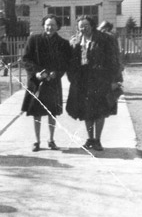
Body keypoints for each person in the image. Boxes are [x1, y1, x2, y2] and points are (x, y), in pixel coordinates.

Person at [66, 15, 120, 151]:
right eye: (80, 27)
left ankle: (98, 140)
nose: (83, 29)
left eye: (86, 26)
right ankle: (90, 139)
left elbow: (113, 60)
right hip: (83, 82)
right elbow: (72, 61)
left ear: (92, 26)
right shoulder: (77, 40)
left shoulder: (104, 39)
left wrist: (114, 80)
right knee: (87, 111)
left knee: (100, 111)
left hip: (101, 80)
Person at [21, 14, 71, 152]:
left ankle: (51, 139)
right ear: (43, 25)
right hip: (36, 81)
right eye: (48, 24)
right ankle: (37, 141)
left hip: (53, 82)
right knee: (36, 112)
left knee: (52, 112)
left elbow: (65, 63)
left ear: (58, 27)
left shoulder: (63, 43)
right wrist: (36, 73)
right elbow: (26, 59)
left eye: (53, 25)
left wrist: (57, 73)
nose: (50, 27)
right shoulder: (34, 40)